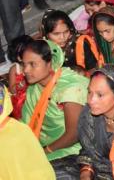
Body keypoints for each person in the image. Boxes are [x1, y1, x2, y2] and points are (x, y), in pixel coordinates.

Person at [21, 39, 88, 177]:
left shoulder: (70, 88)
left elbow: (73, 135)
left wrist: (45, 151)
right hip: (43, 148)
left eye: (32, 64)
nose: (26, 70)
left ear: (50, 62)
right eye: (24, 64)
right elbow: (26, 124)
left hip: (71, 151)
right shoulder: (34, 88)